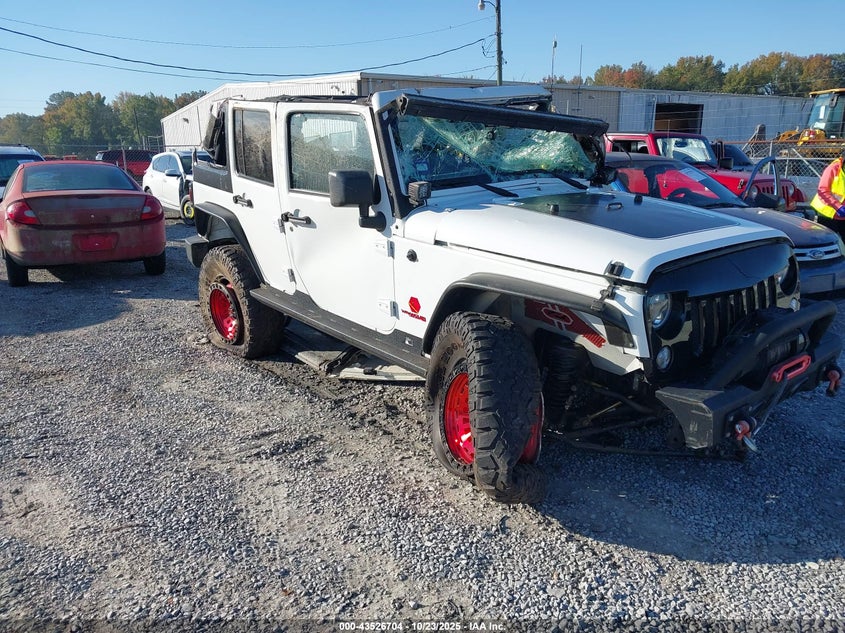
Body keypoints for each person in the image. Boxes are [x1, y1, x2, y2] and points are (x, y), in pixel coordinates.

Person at [810, 149, 845, 234]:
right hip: (826, 213)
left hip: (842, 215)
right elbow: (823, 190)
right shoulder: (833, 169)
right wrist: (838, 207)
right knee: (826, 240)